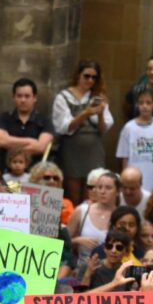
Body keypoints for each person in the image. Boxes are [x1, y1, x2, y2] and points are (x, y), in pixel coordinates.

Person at [53, 60, 114, 202]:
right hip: (71, 150)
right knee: (72, 194)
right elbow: (65, 127)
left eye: (94, 77)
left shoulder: (97, 97)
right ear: (78, 75)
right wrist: (86, 112)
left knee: (92, 194)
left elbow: (103, 130)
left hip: (93, 151)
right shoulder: (63, 97)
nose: (90, 80)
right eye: (87, 76)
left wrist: (99, 114)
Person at [0, 78, 55, 166]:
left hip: (34, 174)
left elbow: (41, 147)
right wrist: (30, 141)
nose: (23, 100)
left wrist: (11, 144)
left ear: (34, 98)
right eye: (19, 96)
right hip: (6, 174)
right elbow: (2, 141)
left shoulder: (45, 121)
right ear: (13, 97)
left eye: (27, 96)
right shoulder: (3, 118)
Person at [118, 87, 153, 193]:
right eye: (141, 103)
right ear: (137, 105)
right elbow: (125, 157)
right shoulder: (128, 128)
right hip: (134, 177)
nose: (144, 106)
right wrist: (125, 178)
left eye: (148, 103)